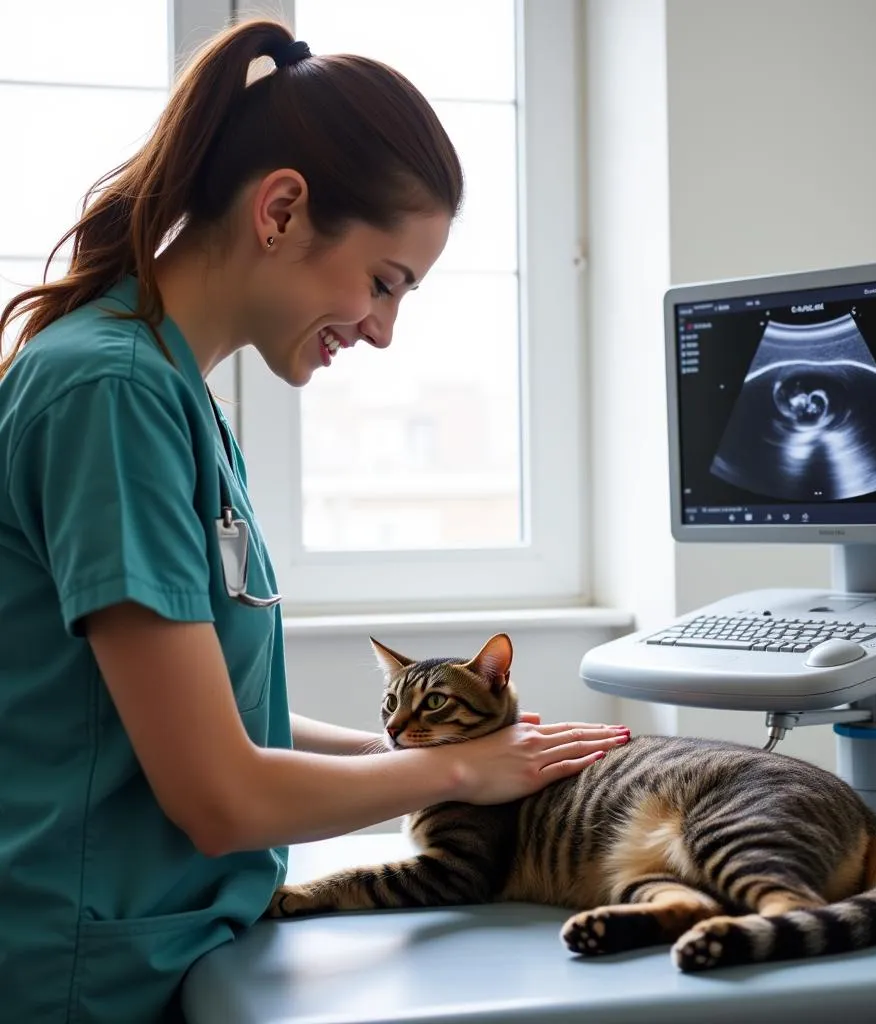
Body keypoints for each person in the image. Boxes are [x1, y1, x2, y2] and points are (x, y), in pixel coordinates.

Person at [0, 19, 629, 1023]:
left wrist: (412, 761)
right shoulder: (110, 394)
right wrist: (458, 764)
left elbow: (214, 716)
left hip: (167, 945)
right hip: (86, 972)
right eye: (384, 282)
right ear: (281, 208)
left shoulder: (168, 392)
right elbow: (219, 796)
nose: (382, 330)